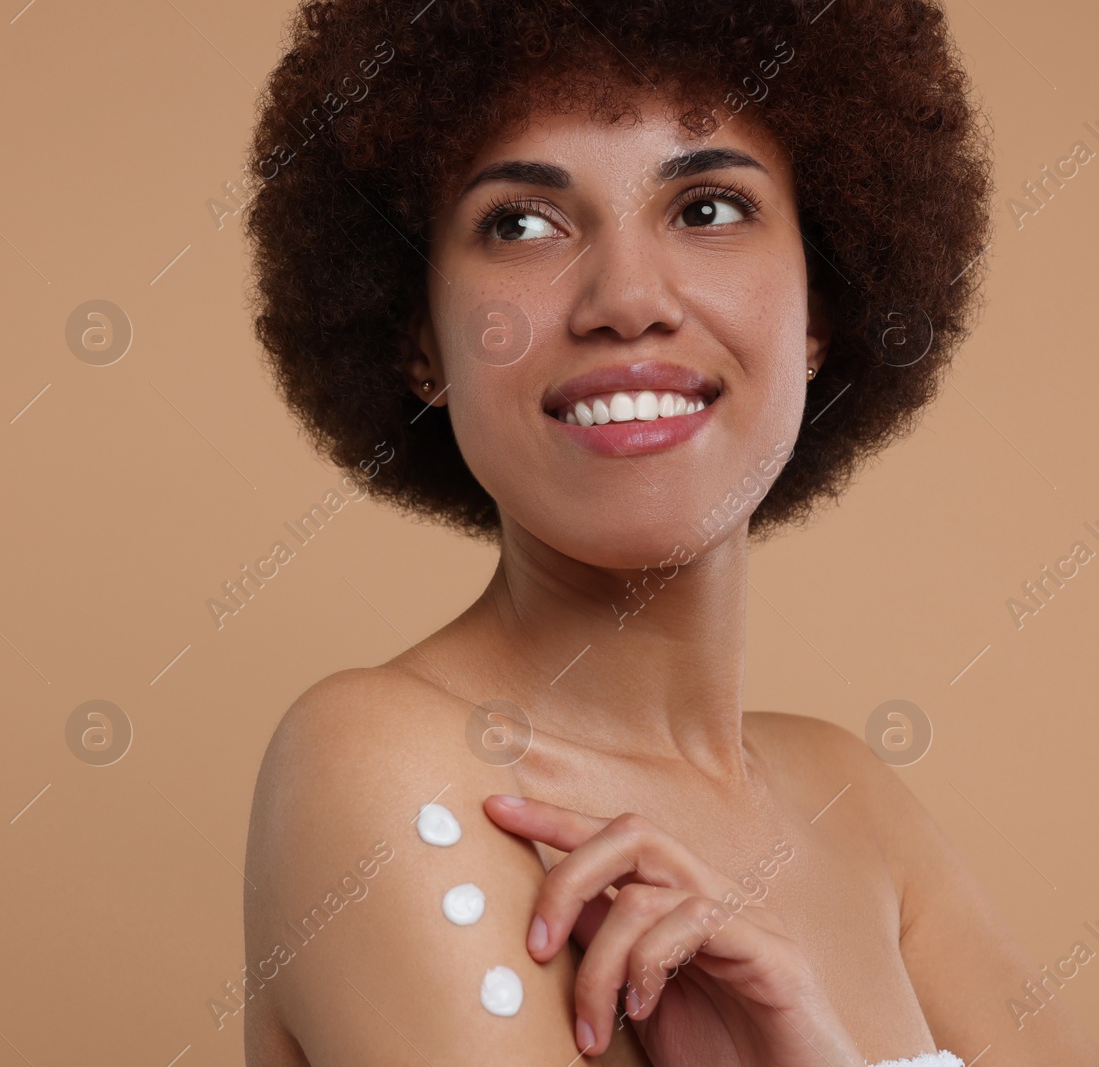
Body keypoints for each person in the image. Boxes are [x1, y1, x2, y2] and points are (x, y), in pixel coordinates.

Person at [238, 1, 1099, 1065]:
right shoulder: (380, 763)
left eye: (706, 207)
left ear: (819, 308)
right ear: (419, 339)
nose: (626, 298)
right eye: (520, 223)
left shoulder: (856, 802)